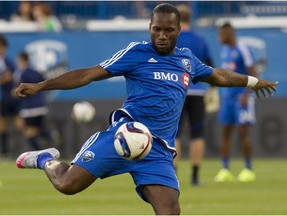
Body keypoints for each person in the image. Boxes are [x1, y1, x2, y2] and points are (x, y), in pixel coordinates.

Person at [14, 3, 277, 215]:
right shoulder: (136, 53)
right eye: (156, 29)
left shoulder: (187, 60)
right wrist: (41, 86)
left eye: (168, 30)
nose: (161, 36)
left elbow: (217, 76)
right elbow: (87, 75)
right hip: (122, 137)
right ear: (150, 28)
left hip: (158, 151)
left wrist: (251, 81)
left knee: (170, 210)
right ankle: (45, 159)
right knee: (67, 185)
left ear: (178, 30)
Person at [174, 4, 214, 186]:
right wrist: (213, 89)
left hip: (176, 91)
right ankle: (195, 176)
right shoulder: (200, 40)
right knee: (197, 134)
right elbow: (210, 67)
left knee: (174, 134)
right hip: (198, 92)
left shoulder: (172, 38)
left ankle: (173, 175)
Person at [214, 22, 258, 183]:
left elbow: (253, 72)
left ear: (229, 33)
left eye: (221, 33)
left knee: (243, 132)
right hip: (227, 97)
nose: (219, 37)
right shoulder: (225, 50)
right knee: (225, 132)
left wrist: (247, 93)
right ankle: (225, 169)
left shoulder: (242, 49)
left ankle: (248, 168)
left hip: (241, 97)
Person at [14, 52, 53, 150]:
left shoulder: (20, 73)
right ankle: (50, 136)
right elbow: (45, 85)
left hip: (29, 108)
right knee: (37, 129)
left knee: (28, 133)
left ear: (21, 60)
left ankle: (39, 152)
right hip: (41, 106)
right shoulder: (37, 72)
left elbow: (19, 92)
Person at [0, 34, 23, 157]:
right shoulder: (6, 61)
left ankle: (19, 150)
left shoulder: (6, 61)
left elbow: (12, 77)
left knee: (17, 123)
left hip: (11, 96)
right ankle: (5, 151)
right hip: (6, 96)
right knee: (3, 123)